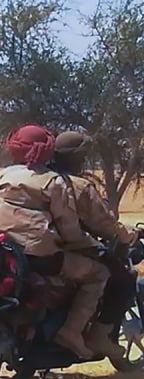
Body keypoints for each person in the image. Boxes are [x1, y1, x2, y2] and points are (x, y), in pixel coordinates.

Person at [0, 124, 108, 359]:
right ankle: (71, 332)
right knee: (98, 273)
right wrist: (89, 243)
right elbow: (69, 228)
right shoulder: (52, 182)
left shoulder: (2, 175)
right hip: (38, 257)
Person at [51, 130, 138, 361]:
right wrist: (128, 236)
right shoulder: (79, 186)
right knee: (122, 280)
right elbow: (103, 224)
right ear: (78, 157)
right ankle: (98, 335)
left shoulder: (42, 179)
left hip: (42, 247)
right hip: (71, 248)